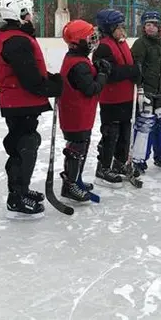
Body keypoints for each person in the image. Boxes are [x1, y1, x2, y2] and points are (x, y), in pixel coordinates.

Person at [0, 0, 62, 219]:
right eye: (28, 11)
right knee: (24, 147)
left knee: (24, 144)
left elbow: (32, 71)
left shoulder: (16, 36)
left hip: (20, 101)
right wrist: (52, 87)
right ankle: (17, 196)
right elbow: (30, 78)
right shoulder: (16, 40)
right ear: (20, 13)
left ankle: (21, 189)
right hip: (19, 102)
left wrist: (51, 80)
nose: (32, 16)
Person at [58, 20, 109, 201]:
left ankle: (76, 179)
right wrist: (103, 74)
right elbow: (91, 88)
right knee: (76, 148)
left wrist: (97, 68)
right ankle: (70, 185)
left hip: (80, 114)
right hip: (76, 115)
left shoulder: (78, 59)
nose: (92, 42)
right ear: (77, 42)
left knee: (82, 146)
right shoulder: (78, 64)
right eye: (89, 38)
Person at [92, 9, 141, 187]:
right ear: (109, 28)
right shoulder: (103, 46)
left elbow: (128, 64)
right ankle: (103, 167)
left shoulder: (122, 43)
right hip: (111, 99)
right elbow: (108, 73)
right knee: (110, 133)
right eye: (119, 27)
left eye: (123, 26)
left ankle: (119, 162)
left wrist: (137, 72)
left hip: (126, 97)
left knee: (124, 133)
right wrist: (132, 71)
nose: (122, 30)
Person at [130, 12, 161, 174]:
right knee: (145, 124)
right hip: (147, 92)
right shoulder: (140, 44)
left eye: (154, 24)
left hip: (160, 92)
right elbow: (136, 69)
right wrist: (140, 90)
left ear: (159, 27)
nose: (151, 27)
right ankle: (138, 159)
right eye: (148, 24)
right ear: (143, 27)